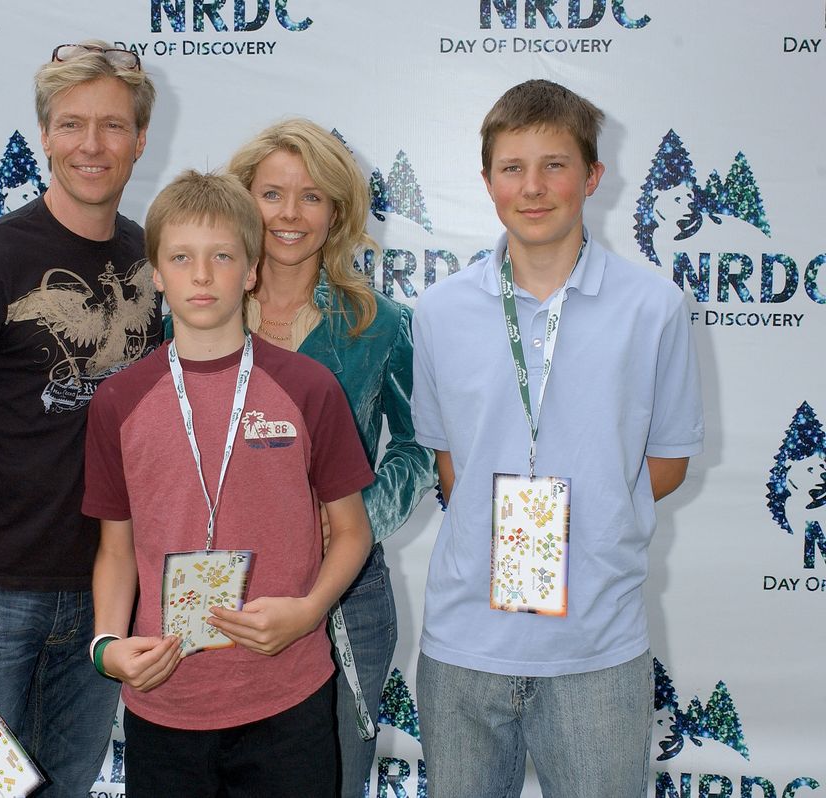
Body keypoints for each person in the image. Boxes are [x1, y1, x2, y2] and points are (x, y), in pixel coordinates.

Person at [411, 79, 704, 796]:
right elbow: (449, 463)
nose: (533, 187)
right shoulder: (439, 311)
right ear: (487, 181)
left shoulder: (654, 308)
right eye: (512, 168)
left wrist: (590, 518)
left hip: (597, 647)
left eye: (555, 165)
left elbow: (668, 462)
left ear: (593, 176)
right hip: (463, 645)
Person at [0, 41, 160, 797]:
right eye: (72, 124)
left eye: (112, 125)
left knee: (65, 790)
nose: (91, 145)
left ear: (141, 139)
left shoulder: (154, 262)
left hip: (101, 598)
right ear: (44, 135)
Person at [83, 169, 374, 797]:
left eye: (221, 257)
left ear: (251, 271)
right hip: (166, 699)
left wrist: (309, 611)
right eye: (181, 258)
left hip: (288, 697)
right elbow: (116, 548)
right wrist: (106, 643)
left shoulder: (308, 388)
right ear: (156, 275)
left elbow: (352, 532)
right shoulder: (119, 402)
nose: (202, 276)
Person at [226, 118, 436, 796]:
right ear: (241, 202)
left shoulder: (382, 324)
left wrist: (359, 518)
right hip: (218, 590)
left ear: (338, 213)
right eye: (272, 194)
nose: (290, 214)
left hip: (345, 596)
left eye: (312, 196)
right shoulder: (192, 317)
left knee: (333, 780)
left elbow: (421, 446)